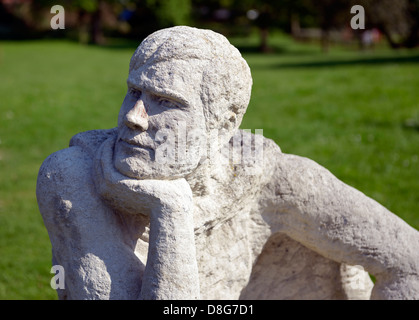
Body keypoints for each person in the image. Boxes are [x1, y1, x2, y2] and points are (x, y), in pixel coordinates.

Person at [37, 26, 419, 300]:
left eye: (165, 101)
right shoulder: (73, 178)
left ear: (225, 122)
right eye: (133, 91)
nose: (133, 117)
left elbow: (409, 263)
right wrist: (170, 210)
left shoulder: (273, 178)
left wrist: (170, 206)